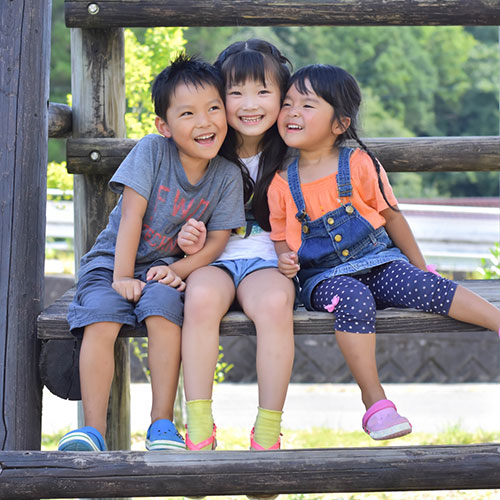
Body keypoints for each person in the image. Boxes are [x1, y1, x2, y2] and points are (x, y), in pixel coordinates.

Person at [268, 63, 500, 441]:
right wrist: (284, 258)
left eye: (307, 106)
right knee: (354, 299)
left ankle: (496, 320)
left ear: (339, 124)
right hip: (324, 278)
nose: (292, 112)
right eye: (289, 103)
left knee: (422, 286)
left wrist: (422, 266)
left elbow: (392, 217)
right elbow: (281, 235)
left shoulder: (358, 163)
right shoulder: (281, 182)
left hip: (379, 261)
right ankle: (375, 403)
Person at [57, 54, 246, 452]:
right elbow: (131, 217)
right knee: (103, 318)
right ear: (165, 125)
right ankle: (93, 430)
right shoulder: (152, 151)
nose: (205, 121)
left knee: (164, 312)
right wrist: (122, 276)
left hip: (163, 269)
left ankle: (161, 423)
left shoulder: (227, 174)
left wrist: (177, 268)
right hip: (113, 261)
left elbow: (218, 241)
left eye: (214, 108)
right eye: (188, 113)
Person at [178, 39, 295, 458]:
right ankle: (198, 425)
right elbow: (176, 206)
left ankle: (267, 430)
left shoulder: (292, 149)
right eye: (236, 92)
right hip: (213, 256)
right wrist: (185, 239)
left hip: (267, 258)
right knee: (201, 296)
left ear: (283, 95)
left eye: (263, 91)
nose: (250, 104)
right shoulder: (205, 146)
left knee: (277, 302)